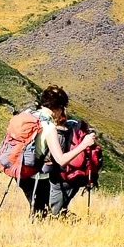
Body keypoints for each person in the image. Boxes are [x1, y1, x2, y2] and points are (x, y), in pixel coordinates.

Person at [27, 85, 96, 217]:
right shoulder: (49, 127)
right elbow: (61, 160)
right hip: (37, 174)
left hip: (21, 169)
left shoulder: (30, 115)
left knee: (39, 209)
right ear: (58, 108)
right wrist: (84, 144)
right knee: (42, 213)